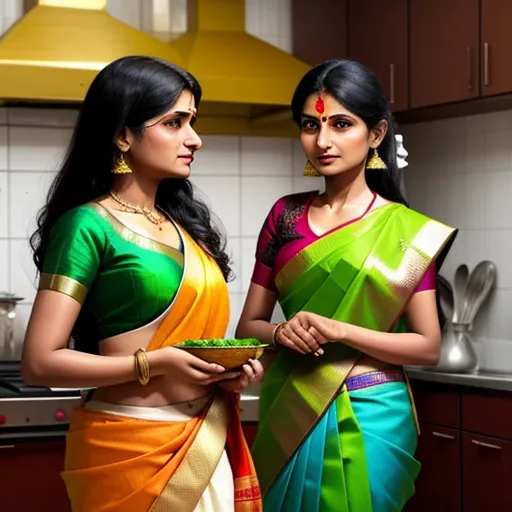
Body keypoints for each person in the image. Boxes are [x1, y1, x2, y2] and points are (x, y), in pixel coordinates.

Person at [22, 56, 263, 512]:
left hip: (205, 438)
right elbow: (39, 362)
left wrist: (229, 373)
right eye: (174, 122)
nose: (194, 138)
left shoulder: (185, 228)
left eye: (192, 122)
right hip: (129, 447)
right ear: (122, 134)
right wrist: (160, 363)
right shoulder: (88, 226)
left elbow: (190, 346)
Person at [235, 59, 457, 512]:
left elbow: (427, 346)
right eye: (310, 125)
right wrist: (279, 332)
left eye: (340, 124)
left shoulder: (406, 231)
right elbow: (249, 326)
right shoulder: (285, 216)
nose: (323, 141)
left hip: (373, 409)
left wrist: (341, 332)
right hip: (290, 404)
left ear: (375, 135)